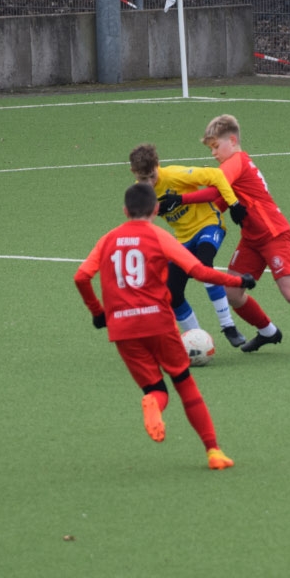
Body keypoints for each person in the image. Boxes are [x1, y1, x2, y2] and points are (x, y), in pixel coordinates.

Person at [74, 183, 257, 470]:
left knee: (155, 389)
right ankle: (213, 452)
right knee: (185, 385)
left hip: (123, 328)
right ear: (156, 209)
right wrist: (238, 280)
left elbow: (81, 277)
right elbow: (198, 271)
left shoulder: (108, 239)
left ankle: (154, 404)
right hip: (158, 322)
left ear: (125, 211)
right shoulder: (159, 236)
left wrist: (98, 313)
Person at [163, 113, 290, 356]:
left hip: (274, 234)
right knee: (232, 292)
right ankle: (268, 332)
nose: (214, 153)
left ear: (232, 140)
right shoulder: (232, 167)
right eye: (211, 149)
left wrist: (180, 199)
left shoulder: (235, 162)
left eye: (216, 146)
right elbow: (218, 203)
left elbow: (213, 192)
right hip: (251, 238)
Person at [128, 143, 249, 348]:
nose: (148, 183)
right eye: (143, 178)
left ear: (158, 165)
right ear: (133, 172)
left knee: (204, 266)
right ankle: (197, 339)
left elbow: (217, 176)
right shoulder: (141, 192)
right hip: (183, 239)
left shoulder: (175, 175)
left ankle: (228, 326)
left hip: (208, 225)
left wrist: (234, 204)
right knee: (172, 293)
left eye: (152, 176)